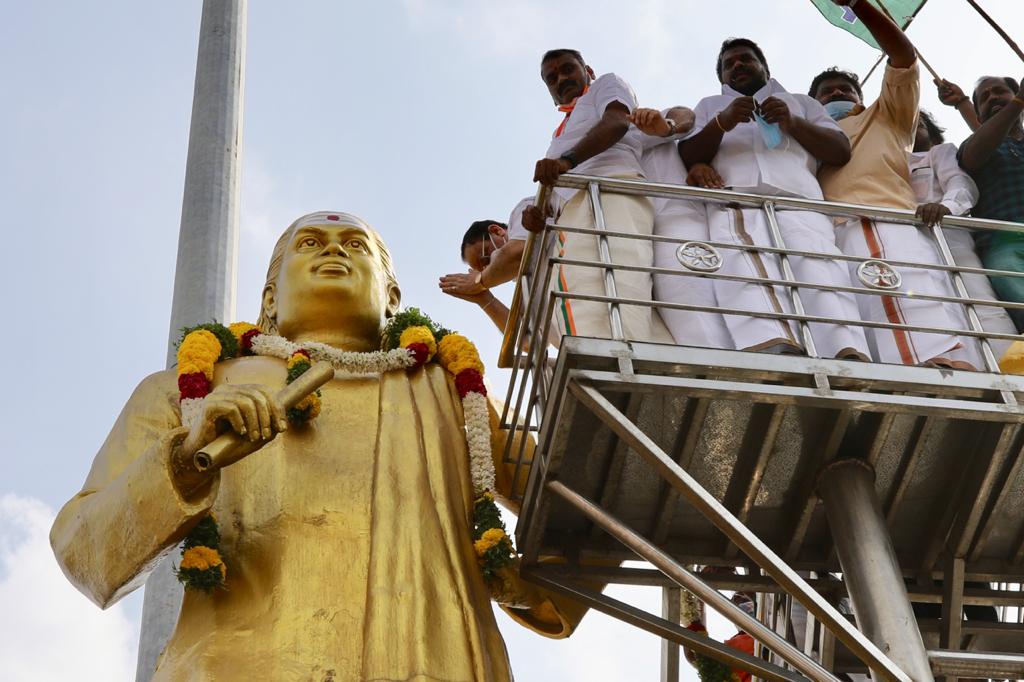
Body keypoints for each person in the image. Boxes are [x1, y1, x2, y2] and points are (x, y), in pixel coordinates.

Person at [50, 212, 583, 680]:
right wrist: (185, 461)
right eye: (310, 244)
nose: (333, 250)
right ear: (269, 297)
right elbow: (83, 551)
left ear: (393, 299)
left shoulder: (452, 391)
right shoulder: (192, 389)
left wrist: (522, 584)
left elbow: (581, 514)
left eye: (356, 245)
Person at [679, 37, 869, 359]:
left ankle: (844, 354)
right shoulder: (711, 106)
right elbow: (686, 153)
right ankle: (773, 350)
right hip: (735, 199)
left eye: (745, 59)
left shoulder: (800, 102)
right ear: (722, 77)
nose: (737, 66)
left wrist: (792, 122)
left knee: (819, 271)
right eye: (729, 64)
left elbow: (840, 151)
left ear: (764, 67)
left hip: (799, 200)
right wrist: (721, 123)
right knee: (744, 270)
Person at [812, 0, 974, 369]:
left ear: (861, 97)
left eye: (845, 90)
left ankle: (947, 374)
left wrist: (858, 5)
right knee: (864, 318)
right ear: (813, 103)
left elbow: (903, 55)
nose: (836, 94)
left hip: (886, 219)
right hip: (831, 235)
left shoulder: (887, 114)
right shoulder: (806, 132)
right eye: (827, 92)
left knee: (915, 308)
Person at [524, 48, 660, 342]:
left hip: (612, 189)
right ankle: (601, 363)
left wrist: (566, 161)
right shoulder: (559, 133)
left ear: (588, 71)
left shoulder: (606, 84)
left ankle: (628, 360)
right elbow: (558, 187)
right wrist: (541, 213)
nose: (560, 79)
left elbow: (617, 122)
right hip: (574, 210)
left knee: (622, 279)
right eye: (551, 78)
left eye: (567, 69)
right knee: (582, 286)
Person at [909, 110, 1015, 359]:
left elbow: (960, 183)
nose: (914, 127)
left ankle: (1012, 367)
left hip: (948, 230)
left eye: (921, 123)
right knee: (929, 303)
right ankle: (959, 363)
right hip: (907, 237)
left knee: (978, 298)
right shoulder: (884, 160)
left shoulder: (939, 152)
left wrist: (947, 207)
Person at [630, 107, 733, 349]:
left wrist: (667, 127)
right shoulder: (586, 148)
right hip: (632, 232)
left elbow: (684, 115)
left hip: (677, 220)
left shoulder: (638, 122)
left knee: (695, 302)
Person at [958, 75, 1024, 333]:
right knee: (1008, 274)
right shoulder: (975, 145)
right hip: (1005, 241)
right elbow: (973, 158)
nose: (993, 97)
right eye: (984, 98)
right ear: (979, 116)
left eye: (1000, 91)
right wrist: (1017, 102)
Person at [439, 217, 516, 332]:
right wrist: (484, 299)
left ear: (496, 231)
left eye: (486, 259)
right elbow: (528, 341)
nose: (491, 271)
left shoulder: (523, 217)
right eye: (484, 270)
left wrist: (479, 281)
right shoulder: (527, 286)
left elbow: (518, 251)